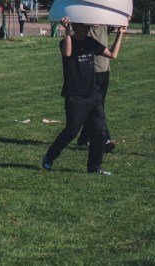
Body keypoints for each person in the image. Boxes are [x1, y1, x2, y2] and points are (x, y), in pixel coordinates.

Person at [42, 17, 125, 175]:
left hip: (93, 95)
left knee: (99, 131)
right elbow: (67, 53)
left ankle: (95, 167)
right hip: (75, 97)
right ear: (75, 26)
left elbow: (113, 54)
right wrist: (67, 32)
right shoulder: (67, 42)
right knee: (71, 132)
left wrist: (120, 34)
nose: (87, 28)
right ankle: (49, 156)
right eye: (83, 25)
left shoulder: (90, 42)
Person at [76, 25, 116, 153]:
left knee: (97, 105)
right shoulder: (86, 23)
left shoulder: (104, 23)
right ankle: (105, 139)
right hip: (92, 70)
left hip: (104, 69)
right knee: (97, 107)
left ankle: (84, 138)